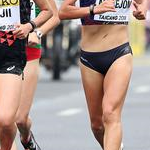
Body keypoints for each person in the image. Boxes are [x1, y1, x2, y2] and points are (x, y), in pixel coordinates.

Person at [59, 0, 147, 150]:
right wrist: (94, 9)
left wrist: (142, 9)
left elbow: (142, 2)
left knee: (110, 112)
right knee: (97, 125)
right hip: (90, 57)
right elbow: (63, 12)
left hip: (120, 52)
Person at [0, 0, 52, 150]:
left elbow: (50, 12)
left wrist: (32, 28)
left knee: (12, 119)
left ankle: (26, 139)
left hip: (13, 55)